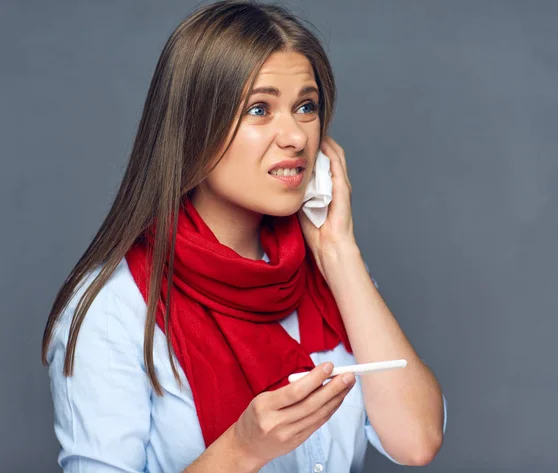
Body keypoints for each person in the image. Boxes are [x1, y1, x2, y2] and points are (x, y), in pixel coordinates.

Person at [42, 1, 447, 472]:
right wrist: (241, 451)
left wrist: (340, 252)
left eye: (306, 107)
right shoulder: (113, 308)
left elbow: (416, 440)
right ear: (195, 127)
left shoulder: (327, 270)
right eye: (260, 108)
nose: (295, 136)